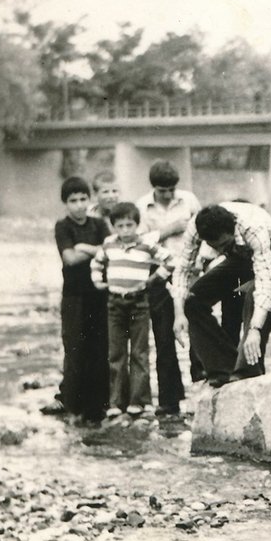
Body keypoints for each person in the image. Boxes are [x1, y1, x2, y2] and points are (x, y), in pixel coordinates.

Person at [171, 202, 271, 386]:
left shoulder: (253, 227)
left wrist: (255, 329)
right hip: (237, 256)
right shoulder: (194, 227)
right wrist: (179, 313)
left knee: (254, 293)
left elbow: (265, 282)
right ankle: (222, 368)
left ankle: (247, 372)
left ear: (232, 229)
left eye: (222, 245)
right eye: (214, 247)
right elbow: (182, 270)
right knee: (193, 300)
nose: (219, 251)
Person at [90, 202, 171, 419]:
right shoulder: (109, 245)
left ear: (137, 224)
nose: (125, 230)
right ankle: (116, 402)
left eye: (130, 225)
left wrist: (154, 279)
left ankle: (139, 401)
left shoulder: (146, 244)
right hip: (115, 303)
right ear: (114, 226)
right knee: (116, 354)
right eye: (120, 226)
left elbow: (171, 260)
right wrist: (98, 281)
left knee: (139, 353)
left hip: (139, 303)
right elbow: (96, 264)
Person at [135, 160, 200, 415]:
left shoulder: (189, 200)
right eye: (164, 191)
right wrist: (167, 230)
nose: (170, 194)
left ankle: (202, 387)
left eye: (172, 189)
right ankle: (169, 400)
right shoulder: (141, 207)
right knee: (163, 335)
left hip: (189, 267)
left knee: (196, 326)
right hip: (158, 273)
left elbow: (206, 227)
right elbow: (136, 241)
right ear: (154, 189)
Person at [53, 177, 110, 425]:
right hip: (74, 296)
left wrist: (84, 247)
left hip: (100, 294)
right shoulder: (62, 226)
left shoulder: (98, 224)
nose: (79, 205)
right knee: (75, 346)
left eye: (83, 199)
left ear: (90, 200)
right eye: (73, 200)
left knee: (100, 348)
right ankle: (73, 404)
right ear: (65, 203)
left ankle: (100, 405)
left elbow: (109, 251)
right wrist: (94, 250)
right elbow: (69, 258)